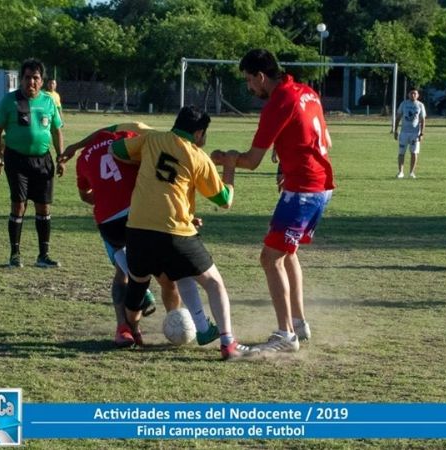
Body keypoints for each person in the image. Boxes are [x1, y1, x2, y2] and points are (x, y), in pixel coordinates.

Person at [211, 49, 334, 353]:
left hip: (303, 190)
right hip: (318, 186)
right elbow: (325, 141)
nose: (249, 87)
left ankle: (286, 335)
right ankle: (298, 323)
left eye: (249, 80)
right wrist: (285, 160)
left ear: (261, 76)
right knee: (287, 253)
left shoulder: (279, 102)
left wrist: (226, 159)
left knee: (270, 258)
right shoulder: (307, 92)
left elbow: (252, 161)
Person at [109, 106, 254, 360]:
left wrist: (141, 157)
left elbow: (116, 150)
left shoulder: (152, 139)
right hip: (175, 232)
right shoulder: (198, 156)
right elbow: (225, 200)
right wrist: (230, 168)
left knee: (138, 284)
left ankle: (130, 330)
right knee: (214, 283)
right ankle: (228, 343)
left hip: (137, 230)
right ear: (198, 133)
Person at [57, 123, 219, 348]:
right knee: (167, 276)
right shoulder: (130, 138)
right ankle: (174, 318)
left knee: (125, 273)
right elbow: (161, 177)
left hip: (108, 223)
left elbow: (85, 195)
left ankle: (125, 329)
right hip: (140, 216)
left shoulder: (84, 158)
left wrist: (107, 198)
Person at [0, 58, 64, 268]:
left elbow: (57, 131)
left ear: (42, 81)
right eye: (28, 77)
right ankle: (15, 255)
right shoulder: (9, 101)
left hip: (43, 160)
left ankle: (43, 256)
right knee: (19, 205)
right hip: (16, 159)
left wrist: (60, 157)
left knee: (44, 207)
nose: (31, 82)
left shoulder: (48, 101)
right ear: (21, 79)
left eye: (36, 78)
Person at [393, 88, 426, 179]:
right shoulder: (404, 104)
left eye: (415, 93)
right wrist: (396, 130)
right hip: (404, 133)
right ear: (408, 94)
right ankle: (400, 172)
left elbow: (423, 120)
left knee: (414, 153)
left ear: (418, 95)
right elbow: (398, 117)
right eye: (411, 93)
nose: (413, 95)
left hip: (415, 133)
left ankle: (411, 172)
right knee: (401, 152)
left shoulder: (420, 105)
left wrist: (422, 133)